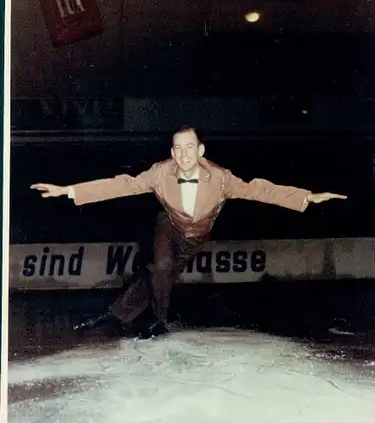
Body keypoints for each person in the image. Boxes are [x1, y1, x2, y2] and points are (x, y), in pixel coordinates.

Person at [31, 127, 347, 339]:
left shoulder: (221, 179)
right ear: (172, 151)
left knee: (158, 274)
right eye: (178, 149)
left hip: (196, 237)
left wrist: (306, 196)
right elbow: (121, 184)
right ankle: (159, 320)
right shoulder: (159, 172)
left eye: (189, 148)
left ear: (200, 150)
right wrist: (69, 190)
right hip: (167, 226)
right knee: (162, 266)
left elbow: (258, 190)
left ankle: (118, 312)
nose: (183, 155)